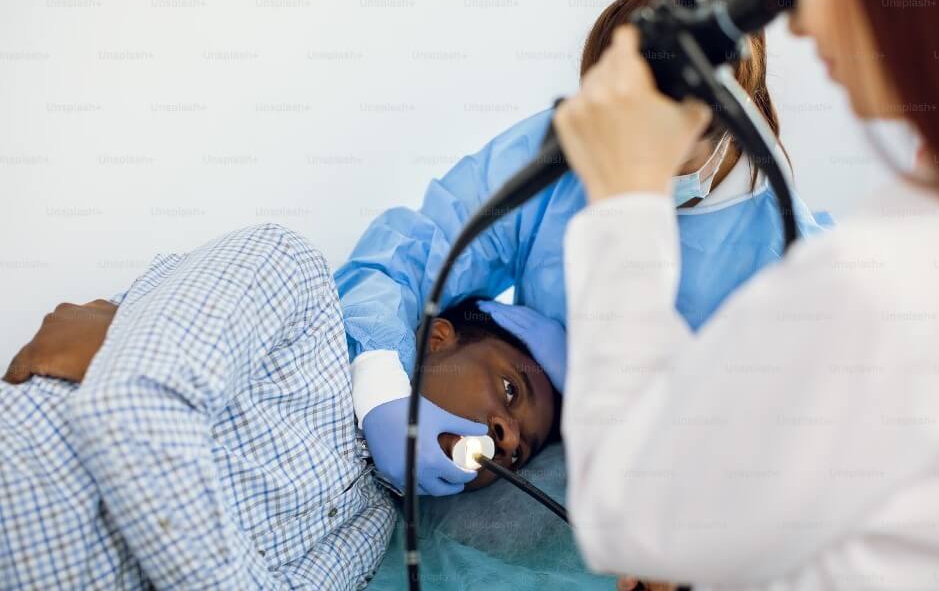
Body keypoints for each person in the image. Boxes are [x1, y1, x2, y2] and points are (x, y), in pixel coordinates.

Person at [553, 0, 939, 589]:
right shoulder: (926, 231)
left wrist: (626, 202)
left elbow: (629, 511)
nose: (799, 24)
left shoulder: (884, 276)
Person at [335, 0, 833, 499]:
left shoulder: (796, 265)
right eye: (609, 123)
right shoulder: (563, 151)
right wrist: (380, 386)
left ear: (721, 121)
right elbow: (411, 255)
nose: (614, 156)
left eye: (647, 139)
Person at [1, 225, 560, 589]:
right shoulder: (292, 278)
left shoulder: (370, 530)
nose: (508, 439)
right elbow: (130, 410)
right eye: (511, 390)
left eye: (521, 451)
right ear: (439, 339)